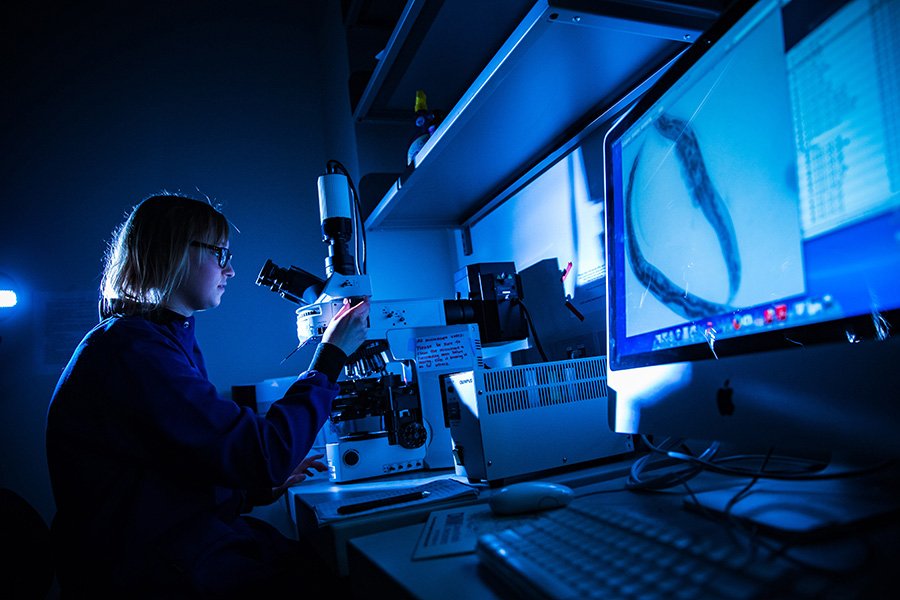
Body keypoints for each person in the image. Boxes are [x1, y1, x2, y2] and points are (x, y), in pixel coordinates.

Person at [46, 193, 369, 598]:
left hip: (169, 547)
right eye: (220, 253)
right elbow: (263, 454)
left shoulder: (161, 338)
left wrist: (251, 490)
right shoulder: (132, 350)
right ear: (173, 251)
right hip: (147, 572)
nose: (231, 270)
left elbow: (177, 468)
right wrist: (332, 356)